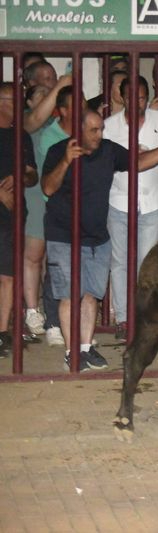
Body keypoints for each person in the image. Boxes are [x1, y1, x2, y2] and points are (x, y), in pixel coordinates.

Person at [41, 110, 158, 372]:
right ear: (78, 130)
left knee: (91, 295)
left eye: (101, 129)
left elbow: (138, 162)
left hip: (97, 237)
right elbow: (48, 187)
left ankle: (85, 348)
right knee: (71, 295)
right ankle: (72, 353)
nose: (99, 135)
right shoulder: (59, 150)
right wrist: (67, 161)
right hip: (64, 236)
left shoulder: (107, 150)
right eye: (93, 130)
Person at [103, 76, 158, 341]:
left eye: (141, 97)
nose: (136, 102)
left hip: (151, 202)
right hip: (118, 200)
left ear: (146, 96)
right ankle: (123, 319)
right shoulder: (108, 126)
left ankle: (143, 317)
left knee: (146, 264)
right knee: (119, 261)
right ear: (122, 96)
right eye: (131, 97)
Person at [30, 85, 76, 346]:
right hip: (58, 208)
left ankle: (71, 321)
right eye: (75, 104)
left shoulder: (87, 131)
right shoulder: (51, 136)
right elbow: (53, 178)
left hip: (85, 208)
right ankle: (53, 323)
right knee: (58, 267)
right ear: (63, 110)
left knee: (80, 266)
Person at [0, 82, 39, 358]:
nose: (22, 107)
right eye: (16, 101)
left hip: (14, 212)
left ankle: (2, 333)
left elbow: (32, 175)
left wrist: (18, 175)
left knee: (8, 275)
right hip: (6, 205)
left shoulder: (21, 136)